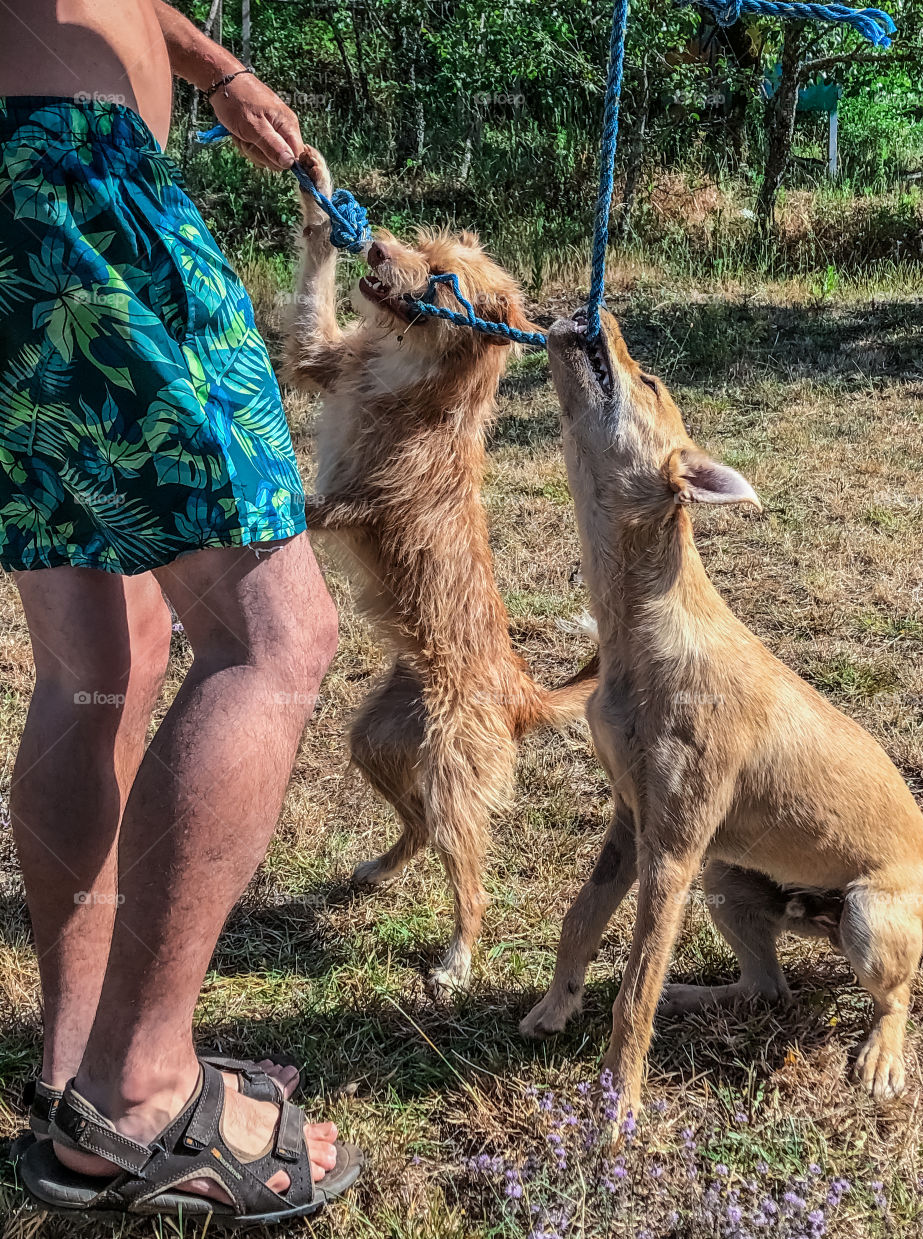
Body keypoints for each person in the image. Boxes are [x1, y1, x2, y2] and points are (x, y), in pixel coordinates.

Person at [0, 0, 361, 1223]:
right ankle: (143, 1089)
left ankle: (74, 1077)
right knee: (275, 635)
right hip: (76, 178)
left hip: (31, 181)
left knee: (105, 656)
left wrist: (213, 67)